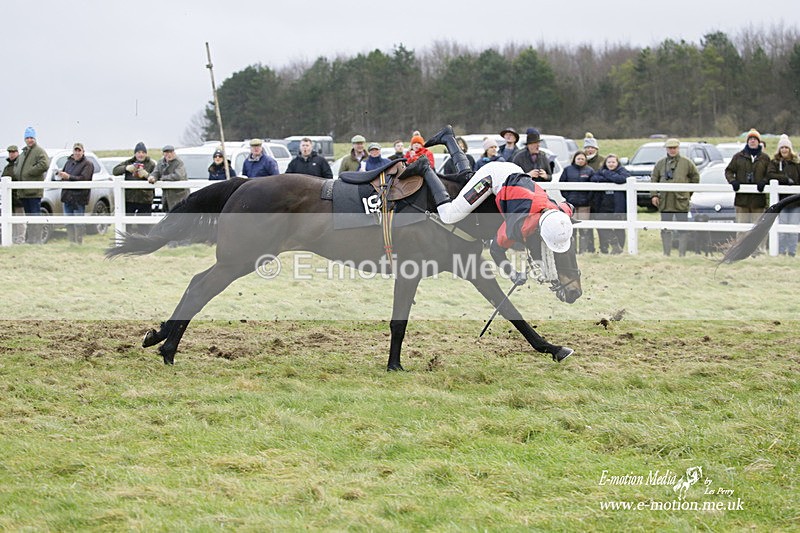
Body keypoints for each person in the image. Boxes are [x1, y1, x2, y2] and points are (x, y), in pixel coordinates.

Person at [422, 125, 574, 281]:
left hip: (513, 170)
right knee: (448, 216)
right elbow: (496, 250)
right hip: (492, 177)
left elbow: (570, 206)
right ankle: (425, 168)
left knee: (467, 178)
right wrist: (512, 273)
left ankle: (448, 138)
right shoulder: (519, 224)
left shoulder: (561, 211)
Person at [650, 138, 700, 256]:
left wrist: (688, 193)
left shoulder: (687, 163)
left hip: (681, 202)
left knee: (682, 227)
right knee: (665, 227)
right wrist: (654, 195)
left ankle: (682, 253)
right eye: (670, 148)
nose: (672, 150)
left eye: (674, 148)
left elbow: (695, 178)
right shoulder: (660, 163)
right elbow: (653, 179)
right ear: (666, 149)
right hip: (665, 202)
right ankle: (666, 253)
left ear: (678, 148)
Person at [725, 128, 771, 254]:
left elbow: (771, 173)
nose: (752, 141)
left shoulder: (765, 158)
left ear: (758, 142)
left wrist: (764, 181)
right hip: (742, 200)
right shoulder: (738, 157)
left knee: (759, 227)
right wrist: (733, 181)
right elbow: (728, 171)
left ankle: (759, 250)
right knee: (741, 227)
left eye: (755, 139)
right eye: (750, 139)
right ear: (747, 141)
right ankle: (740, 250)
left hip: (758, 200)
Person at [14, 127, 50, 244]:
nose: (29, 140)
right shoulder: (24, 152)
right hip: (24, 191)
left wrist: (29, 172)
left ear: (35, 138)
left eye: (31, 138)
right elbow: (17, 165)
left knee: (35, 215)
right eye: (27, 138)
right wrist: (17, 172)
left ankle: (37, 240)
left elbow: (44, 164)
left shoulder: (39, 151)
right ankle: (30, 239)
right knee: (28, 217)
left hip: (34, 191)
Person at [766, 134, 800, 256]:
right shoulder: (774, 163)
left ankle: (791, 252)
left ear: (790, 149)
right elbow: (770, 175)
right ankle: (780, 251)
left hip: (795, 202)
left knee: (793, 229)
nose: (784, 150)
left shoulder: (796, 164)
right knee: (781, 228)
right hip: (782, 201)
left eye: (786, 147)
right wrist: (785, 179)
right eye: (782, 148)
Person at [591, 153, 629, 254]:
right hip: (604, 205)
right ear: (605, 163)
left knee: (619, 228)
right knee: (602, 225)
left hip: (618, 205)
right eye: (609, 162)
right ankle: (614, 243)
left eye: (613, 162)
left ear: (617, 163)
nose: (611, 164)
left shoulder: (622, 171)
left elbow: (621, 179)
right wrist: (611, 177)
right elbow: (594, 178)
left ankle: (619, 249)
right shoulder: (601, 171)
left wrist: (607, 175)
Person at [113, 141, 156, 229]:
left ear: (146, 154)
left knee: (144, 226)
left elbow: (157, 176)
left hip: (145, 199)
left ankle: (143, 242)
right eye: (139, 152)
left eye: (143, 152)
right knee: (127, 224)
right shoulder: (129, 162)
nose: (141, 155)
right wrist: (126, 168)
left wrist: (146, 175)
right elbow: (115, 171)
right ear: (135, 153)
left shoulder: (151, 164)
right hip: (130, 199)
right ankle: (128, 241)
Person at [56, 142, 93, 244]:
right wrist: (60, 176)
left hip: (79, 197)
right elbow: (64, 176)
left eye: (79, 150)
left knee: (78, 222)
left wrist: (69, 177)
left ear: (83, 152)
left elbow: (84, 178)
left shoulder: (88, 164)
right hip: (67, 196)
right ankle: (71, 242)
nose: (77, 153)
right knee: (68, 221)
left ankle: (79, 242)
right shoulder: (68, 163)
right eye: (75, 150)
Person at [560, 150, 595, 253]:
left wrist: (588, 198)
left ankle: (583, 250)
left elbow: (593, 187)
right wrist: (568, 197)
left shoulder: (589, 171)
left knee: (584, 228)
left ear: (585, 160)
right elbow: (562, 184)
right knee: (572, 228)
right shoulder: (567, 170)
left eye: (582, 159)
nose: (580, 161)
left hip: (585, 204)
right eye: (578, 158)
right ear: (574, 159)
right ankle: (572, 249)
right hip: (571, 204)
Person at [149, 145, 188, 212]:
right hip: (166, 196)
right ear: (163, 154)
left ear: (174, 153)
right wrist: (153, 178)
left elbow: (178, 176)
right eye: (166, 152)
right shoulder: (161, 162)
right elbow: (156, 172)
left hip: (179, 196)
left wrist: (164, 178)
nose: (169, 154)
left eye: (171, 152)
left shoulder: (179, 163)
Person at [2, 145, 25, 244]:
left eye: (13, 152)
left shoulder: (20, 164)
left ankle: (20, 239)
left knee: (19, 220)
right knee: (9, 220)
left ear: (17, 152)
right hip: (8, 198)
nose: (11, 154)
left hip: (18, 197)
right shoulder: (7, 167)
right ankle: (11, 239)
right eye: (10, 152)